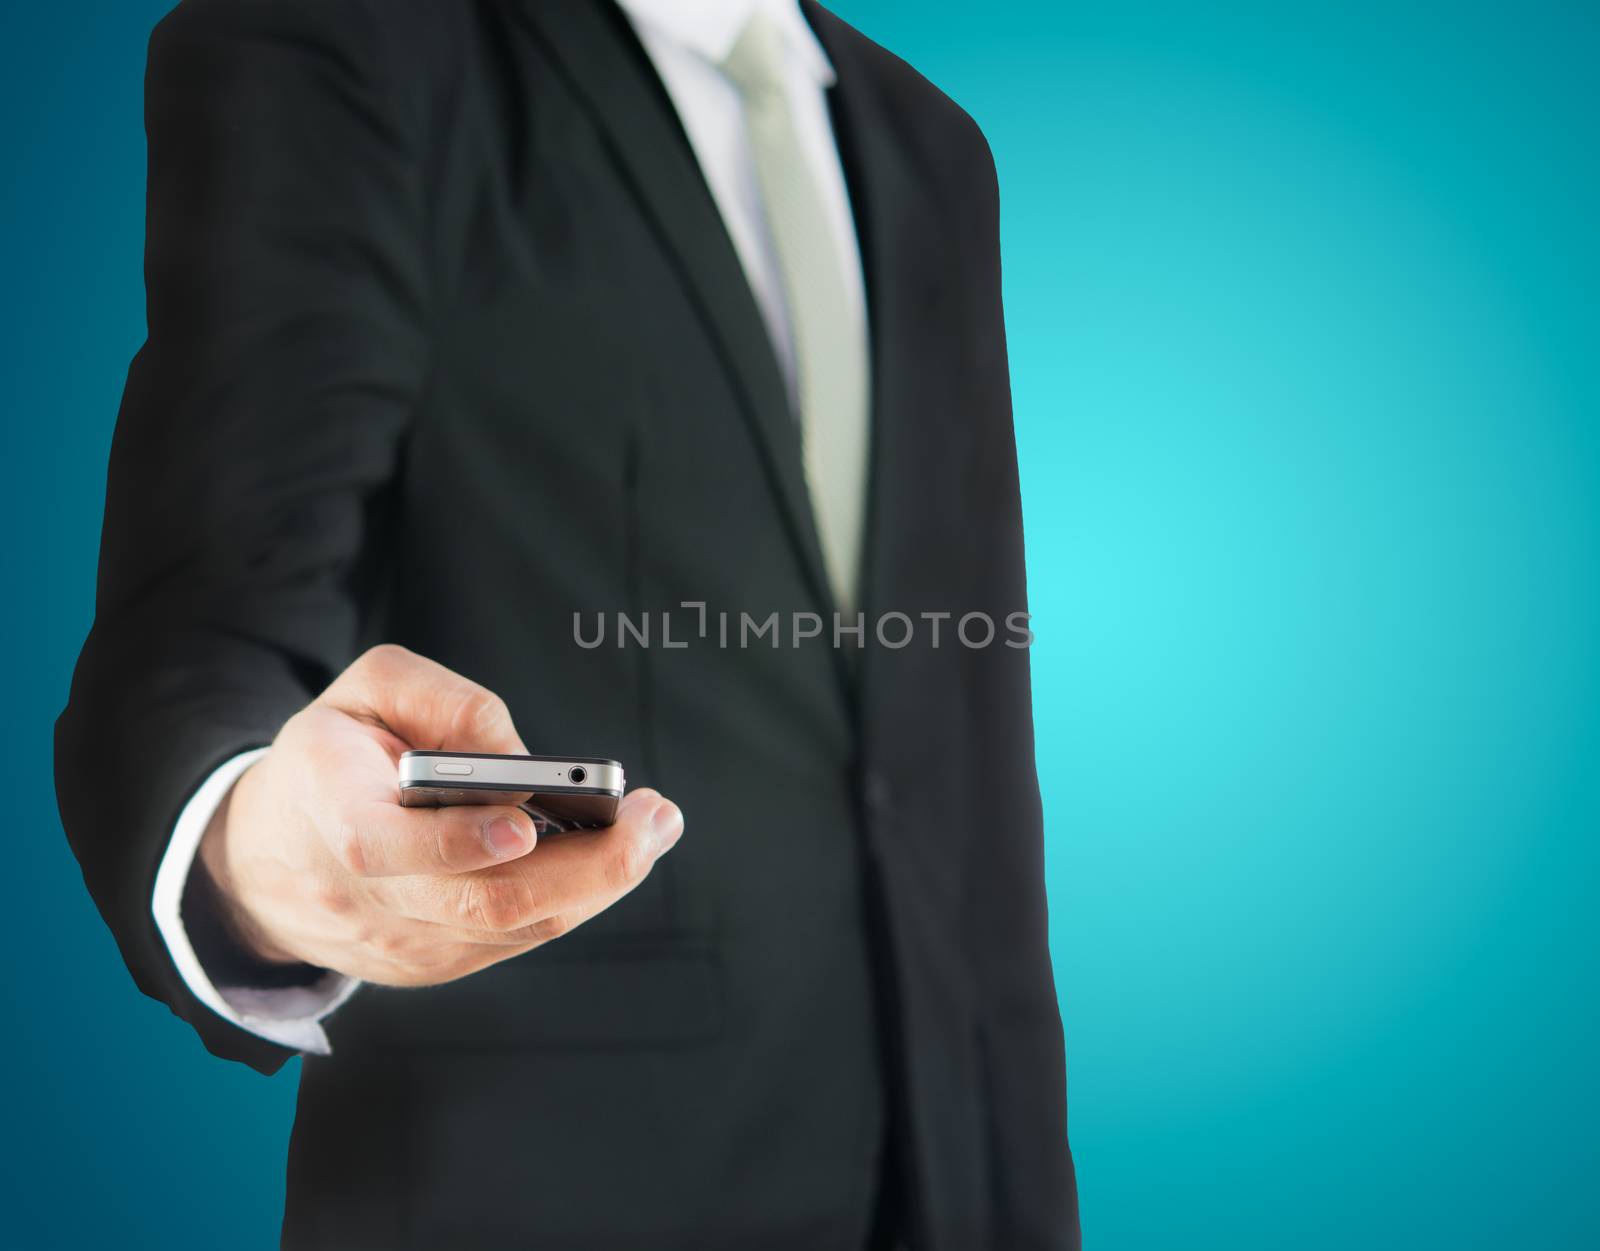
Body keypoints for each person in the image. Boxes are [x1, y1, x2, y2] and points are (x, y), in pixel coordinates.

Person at [55, 1, 1080, 1247]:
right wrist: (260, 859)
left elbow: (960, 747)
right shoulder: (341, 44)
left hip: (946, 1181)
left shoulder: (936, 148)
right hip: (544, 1186)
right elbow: (204, 630)